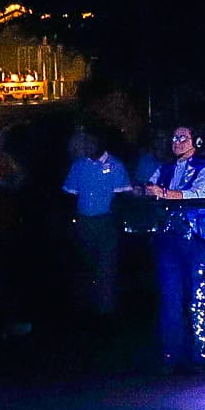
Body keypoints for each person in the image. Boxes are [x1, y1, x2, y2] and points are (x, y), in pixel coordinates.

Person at [145, 125, 205, 371]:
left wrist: (164, 194)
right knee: (170, 296)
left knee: (198, 296)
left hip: (195, 239)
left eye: (181, 138)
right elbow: (150, 186)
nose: (176, 142)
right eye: (174, 137)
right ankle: (171, 353)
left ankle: (200, 351)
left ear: (194, 141)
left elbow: (199, 193)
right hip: (168, 237)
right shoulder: (165, 168)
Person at [63, 128, 133, 318]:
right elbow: (70, 194)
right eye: (86, 142)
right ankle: (85, 308)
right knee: (85, 263)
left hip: (106, 221)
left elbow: (123, 196)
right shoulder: (79, 166)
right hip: (84, 220)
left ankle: (106, 310)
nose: (87, 146)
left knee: (107, 265)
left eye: (91, 142)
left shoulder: (116, 166)